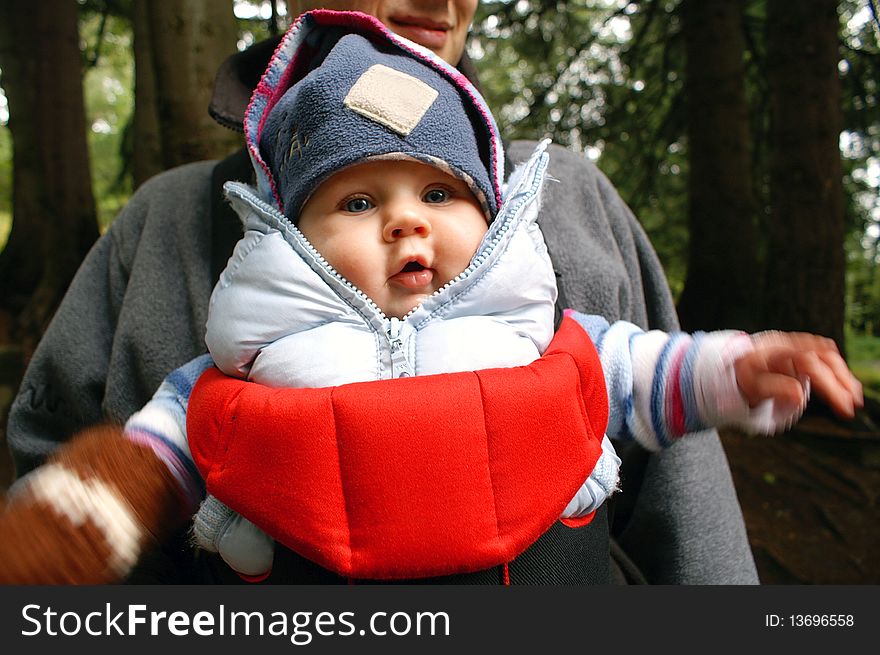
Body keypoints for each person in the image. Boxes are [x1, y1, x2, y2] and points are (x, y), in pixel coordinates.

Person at [0, 10, 862, 585]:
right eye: (360, 201)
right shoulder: (166, 225)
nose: (408, 225)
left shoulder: (568, 207)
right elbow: (102, 462)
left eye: (443, 196)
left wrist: (739, 369)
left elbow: (656, 420)